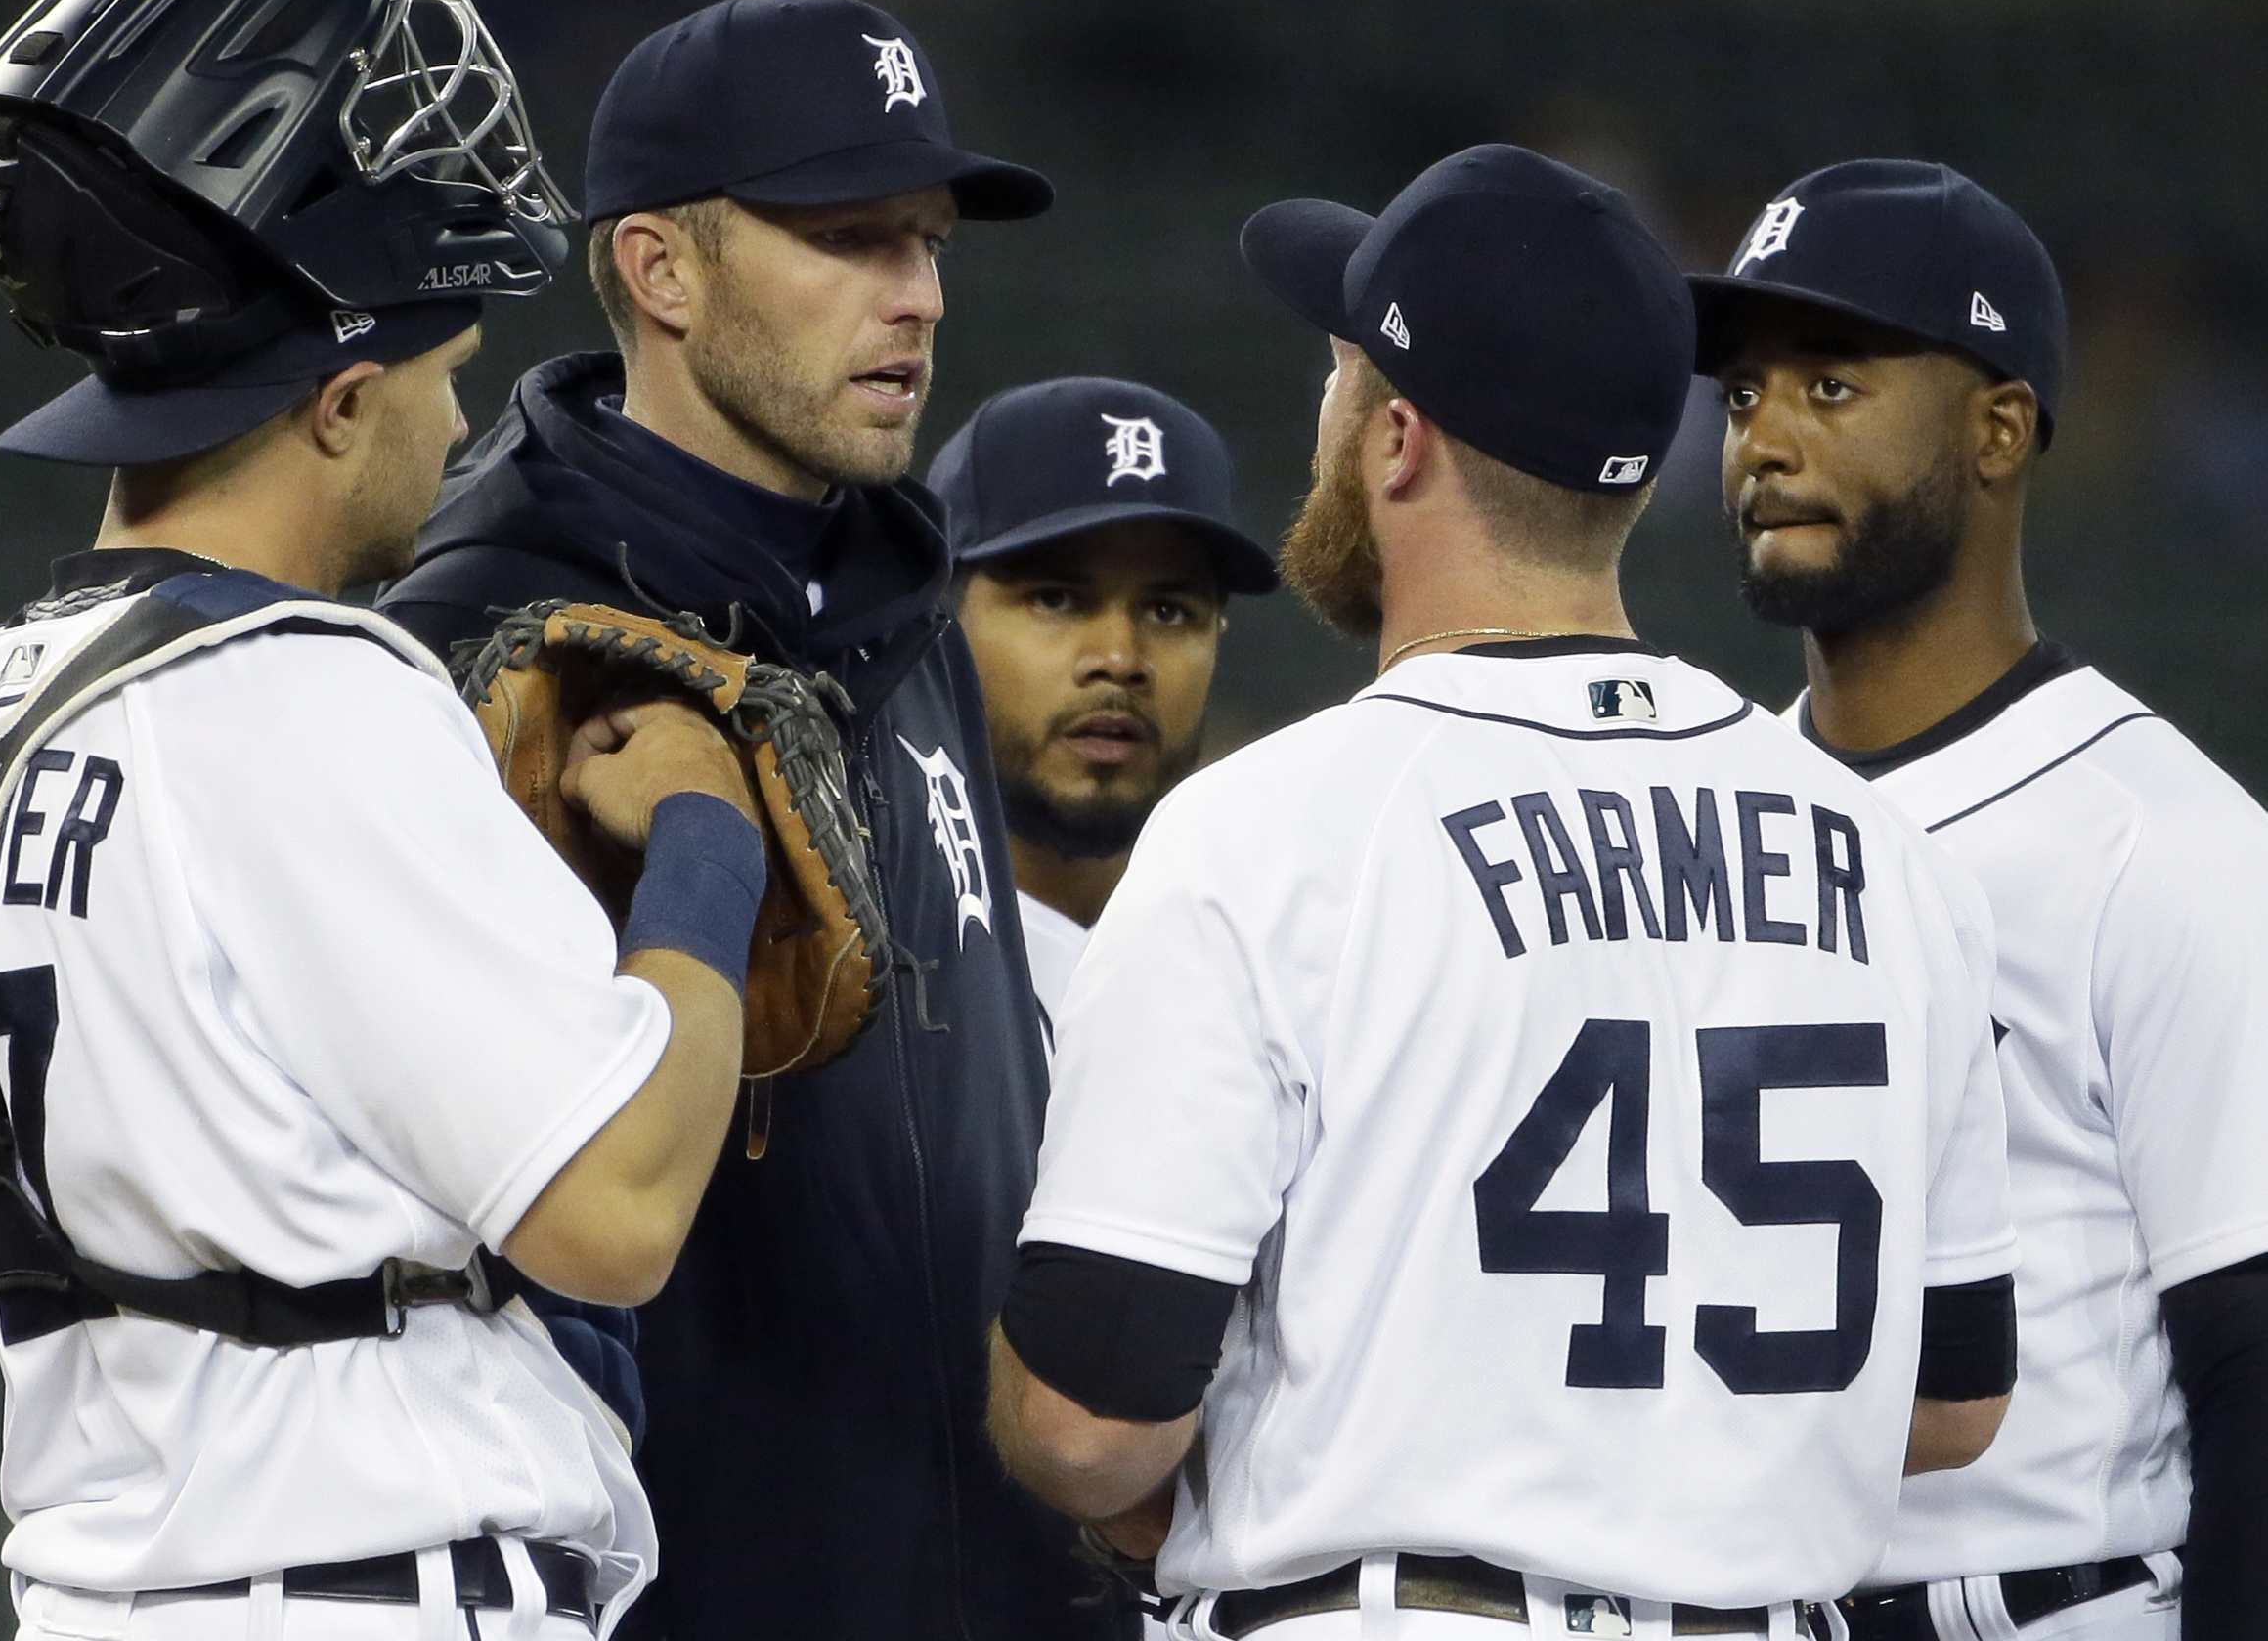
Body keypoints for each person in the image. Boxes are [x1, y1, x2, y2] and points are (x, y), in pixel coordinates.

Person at [0, 0, 762, 1639]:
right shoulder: (303, 692)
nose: (450, 419)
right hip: (364, 1591)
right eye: (436, 373)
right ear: (336, 400)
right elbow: (620, 1210)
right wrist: (703, 840)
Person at [984, 144, 2025, 1639]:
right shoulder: (1889, 862)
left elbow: (1090, 1433)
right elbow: (1949, 1403)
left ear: (1393, 438)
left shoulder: (1270, 833)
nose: (1322, 410)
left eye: (1338, 372)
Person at [379, 0, 1111, 1640]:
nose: (915, 296)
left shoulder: (909, 601)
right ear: (657, 269)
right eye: (847, 237)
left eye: (924, 242)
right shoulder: (493, 650)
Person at [1705, 159, 2268, 1641]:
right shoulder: (1705, 823)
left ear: (1997, 427)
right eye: (1741, 392)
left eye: (1828, 386)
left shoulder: (2163, 842)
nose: (1761, 438)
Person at [927, 377, 1278, 1023]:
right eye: (1056, 599)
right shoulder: (843, 967)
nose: (1119, 658)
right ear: (934, 624)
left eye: (1168, 610)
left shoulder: (1287, 970)